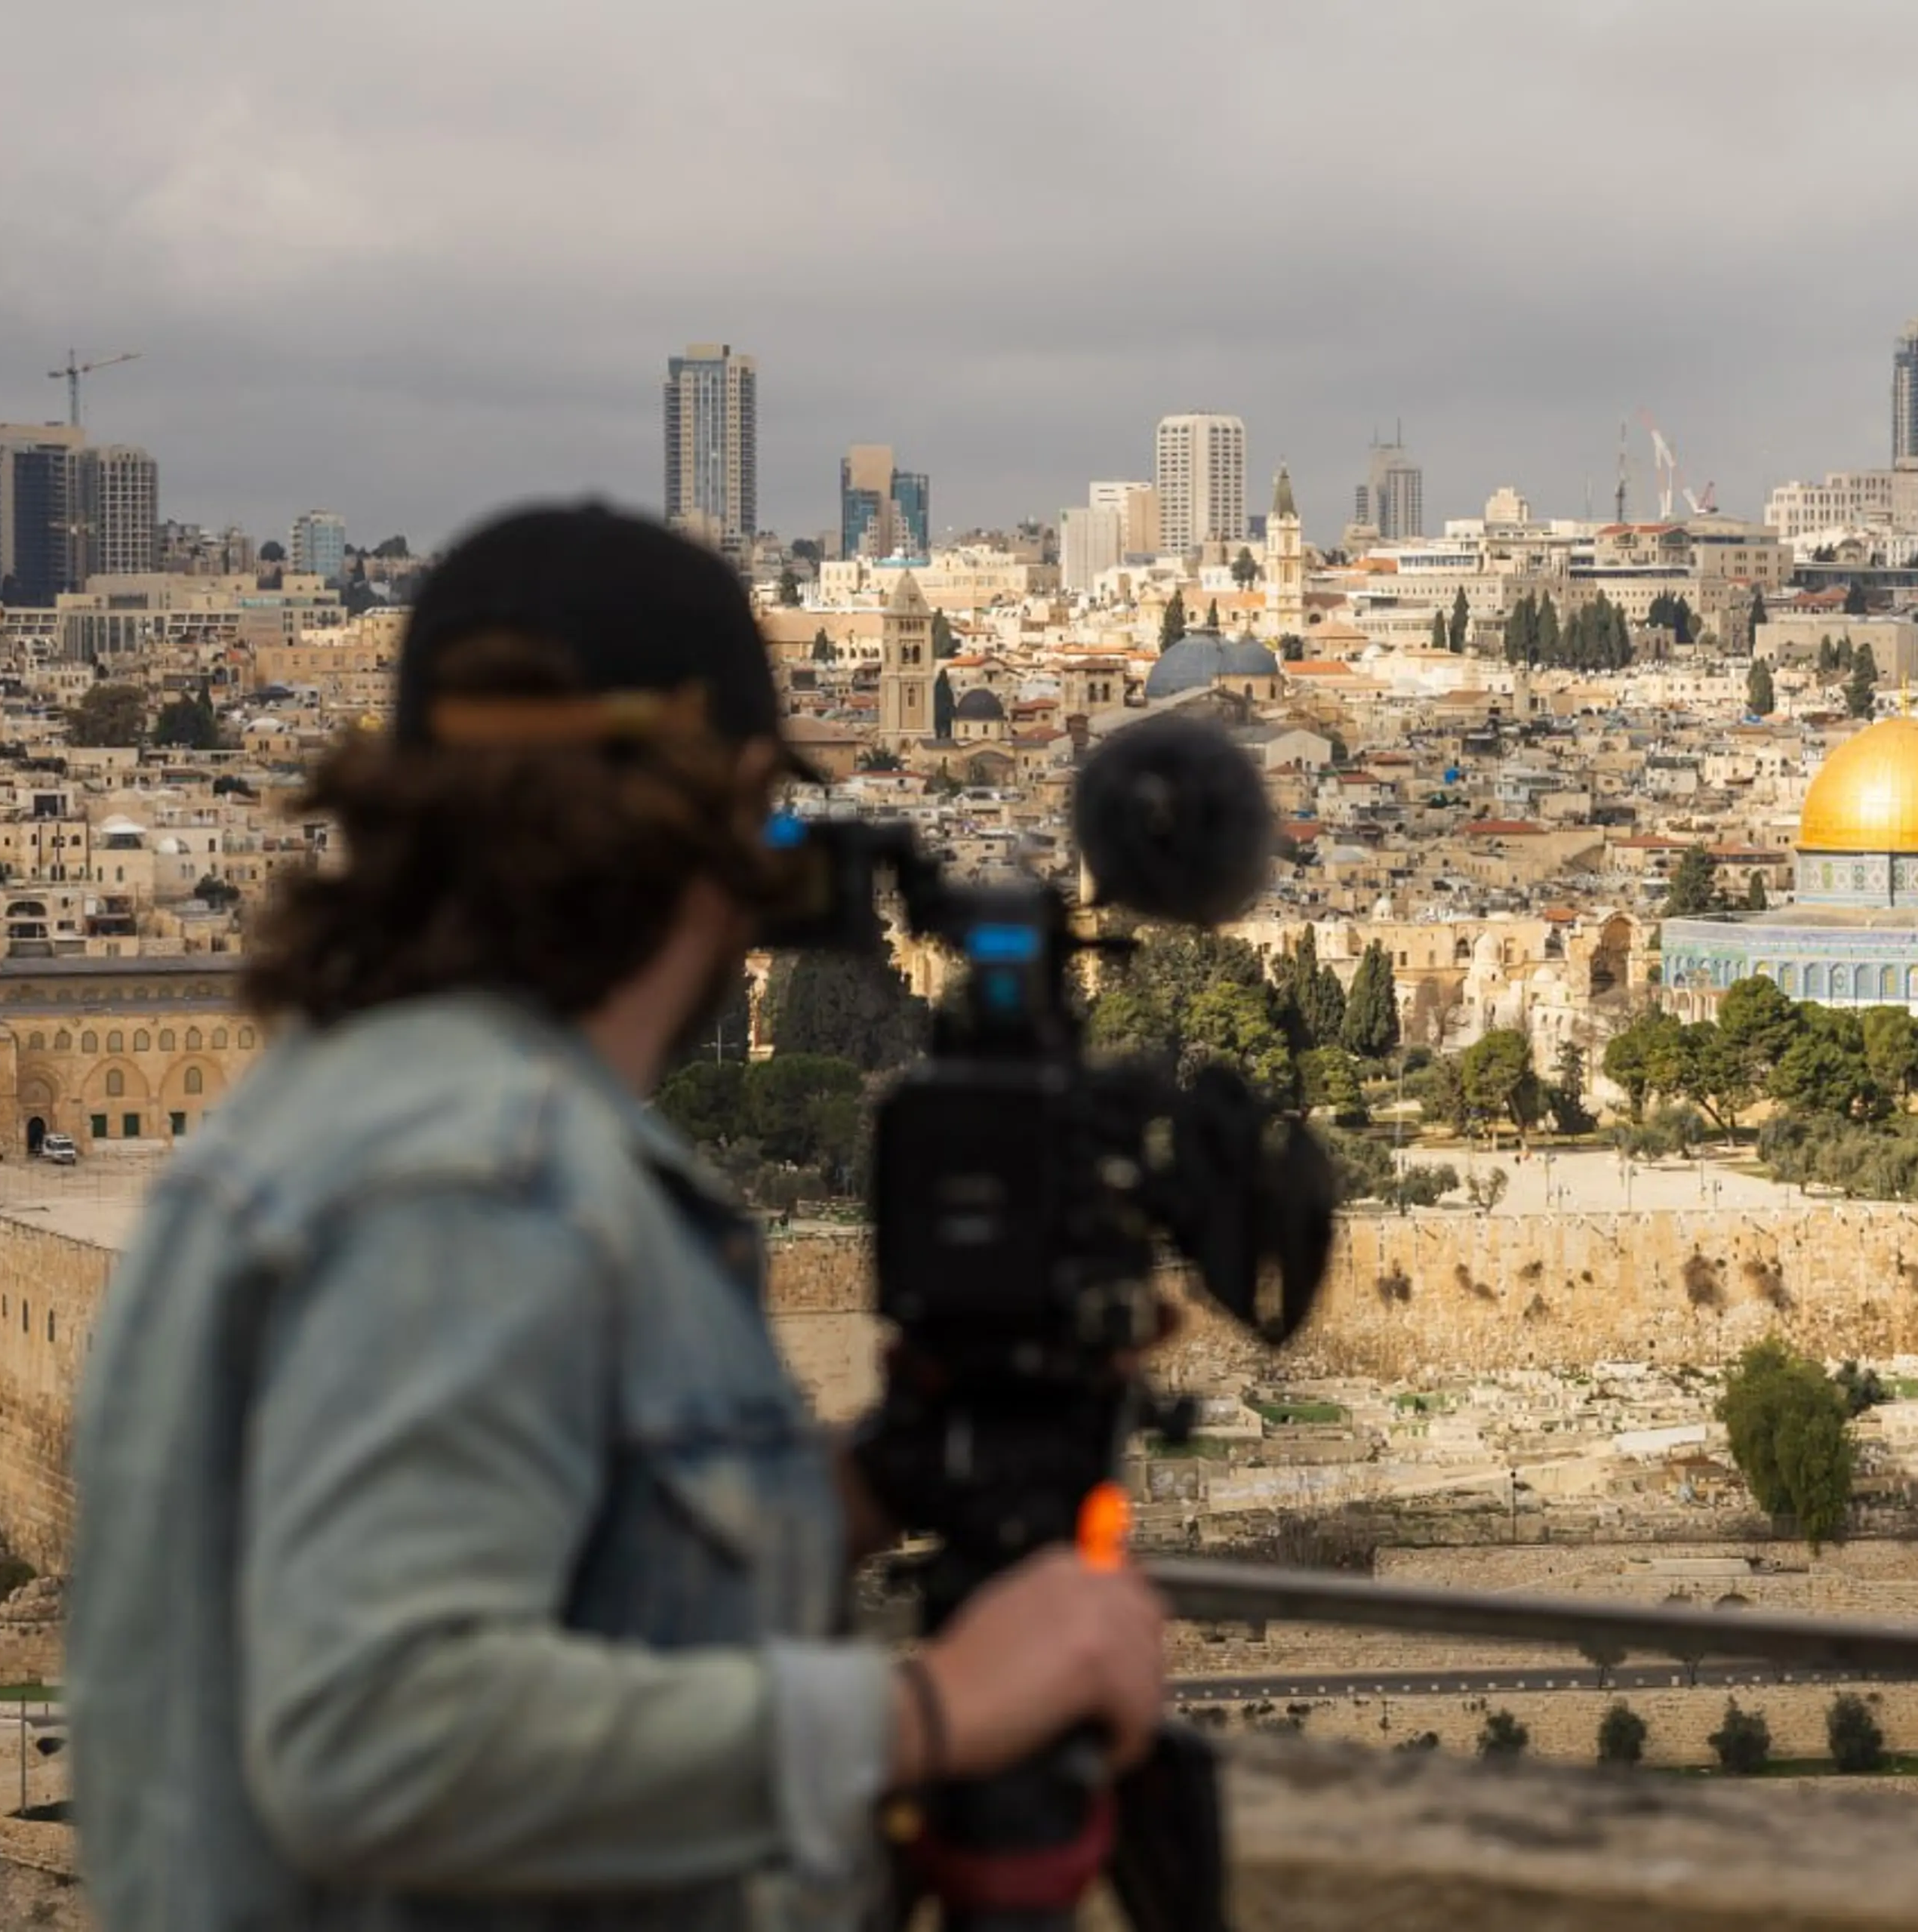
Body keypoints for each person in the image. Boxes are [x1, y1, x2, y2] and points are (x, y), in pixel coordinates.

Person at [67, 504, 1168, 1930]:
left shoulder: (363, 1120)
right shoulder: (480, 1177)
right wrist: (926, 1711)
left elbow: (559, 1580)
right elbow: (378, 1732)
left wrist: (868, 1486)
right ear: (734, 816)